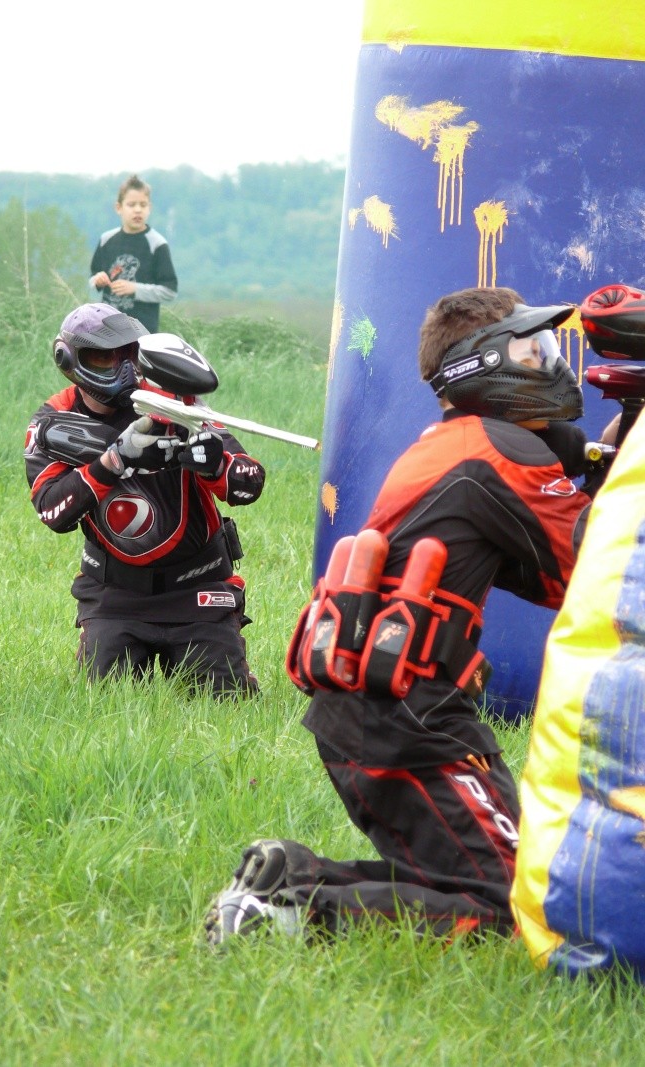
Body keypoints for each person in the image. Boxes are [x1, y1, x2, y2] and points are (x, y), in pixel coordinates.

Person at [204, 286, 617, 946]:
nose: (545, 361)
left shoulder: (450, 443)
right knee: (514, 912)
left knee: (479, 879)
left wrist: (593, 465)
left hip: (382, 711)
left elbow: (546, 575)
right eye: (528, 349)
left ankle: (292, 877)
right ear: (482, 365)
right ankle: (285, 916)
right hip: (409, 718)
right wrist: (616, 475)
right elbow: (600, 573)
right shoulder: (499, 450)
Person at [24, 302, 265, 696]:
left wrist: (214, 463)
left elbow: (247, 484)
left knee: (226, 702)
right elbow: (53, 511)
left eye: (128, 355)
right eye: (103, 357)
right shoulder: (53, 421)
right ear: (69, 359)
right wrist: (113, 462)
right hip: (113, 596)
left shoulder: (172, 403)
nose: (121, 369)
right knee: (106, 705)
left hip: (197, 587)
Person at [89, 174, 178, 333]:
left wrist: (135, 289)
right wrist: (98, 280)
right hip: (108, 329)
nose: (138, 210)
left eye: (143, 205)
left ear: (149, 208)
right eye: (131, 204)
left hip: (143, 332)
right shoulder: (106, 239)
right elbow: (93, 277)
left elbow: (169, 292)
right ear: (119, 208)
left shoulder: (157, 244)